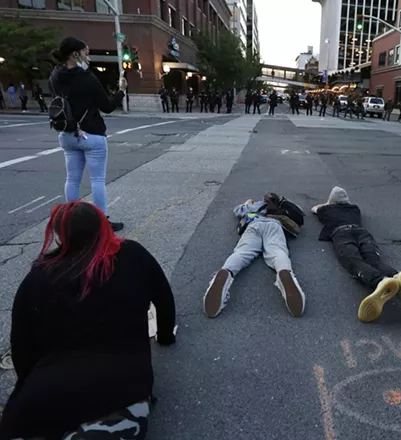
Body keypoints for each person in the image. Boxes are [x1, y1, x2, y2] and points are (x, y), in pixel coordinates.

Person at [0, 201, 176, 440]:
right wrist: (166, 337)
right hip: (120, 390)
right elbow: (164, 300)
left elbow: (21, 343)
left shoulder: (40, 275)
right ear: (102, 227)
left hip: (44, 394)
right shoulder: (133, 254)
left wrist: (31, 381)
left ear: (60, 236)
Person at [311, 187, 401, 324]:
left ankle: (380, 281)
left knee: (354, 261)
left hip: (342, 233)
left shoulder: (327, 209)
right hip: (362, 232)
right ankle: (396, 276)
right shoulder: (354, 209)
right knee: (374, 260)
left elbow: (314, 209)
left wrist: (327, 204)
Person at [49, 37, 126, 232]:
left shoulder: (55, 76)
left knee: (72, 179)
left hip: (66, 133)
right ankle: (102, 222)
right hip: (91, 133)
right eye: (86, 53)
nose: (88, 58)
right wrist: (121, 91)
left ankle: (71, 221)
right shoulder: (87, 78)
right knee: (97, 180)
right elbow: (107, 106)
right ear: (75, 54)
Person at [203, 194, 306, 319]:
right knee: (277, 252)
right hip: (275, 225)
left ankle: (226, 271)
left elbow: (237, 210)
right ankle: (285, 272)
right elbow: (299, 211)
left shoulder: (258, 205)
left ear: (264, 200)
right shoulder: (283, 207)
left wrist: (247, 203)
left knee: (242, 252)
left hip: (254, 224)